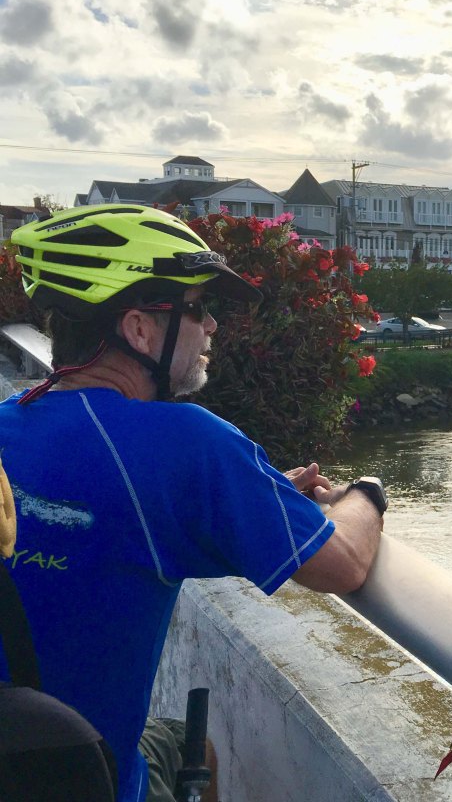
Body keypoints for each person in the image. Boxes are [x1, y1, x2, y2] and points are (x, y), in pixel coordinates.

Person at [0, 204, 386, 802]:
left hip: (18, 754)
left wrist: (253, 496)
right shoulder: (186, 443)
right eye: (197, 307)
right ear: (138, 329)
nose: (211, 327)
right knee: (188, 751)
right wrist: (364, 494)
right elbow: (345, 564)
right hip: (89, 782)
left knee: (188, 746)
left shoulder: (9, 420)